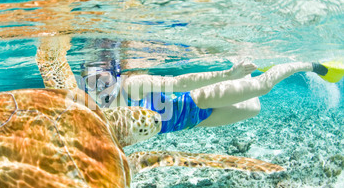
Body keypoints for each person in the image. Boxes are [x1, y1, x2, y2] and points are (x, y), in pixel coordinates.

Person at [80, 58, 343, 134]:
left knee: (263, 87)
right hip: (192, 122)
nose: (95, 86)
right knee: (254, 108)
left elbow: (181, 81)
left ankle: (312, 65)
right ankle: (244, 60)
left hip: (197, 100)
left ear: (112, 73)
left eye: (100, 78)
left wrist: (229, 75)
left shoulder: (131, 86)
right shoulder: (92, 111)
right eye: (88, 81)